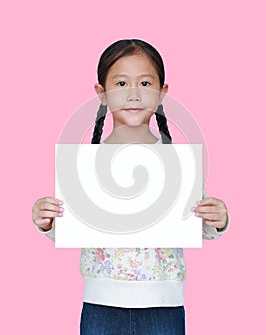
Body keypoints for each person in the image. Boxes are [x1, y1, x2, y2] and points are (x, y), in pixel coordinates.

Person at [32, 39, 229, 335]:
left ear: (162, 93)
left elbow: (196, 224)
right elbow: (73, 226)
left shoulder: (178, 161)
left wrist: (218, 219)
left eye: (146, 83)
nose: (134, 94)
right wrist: (47, 221)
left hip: (164, 303)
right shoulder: (85, 162)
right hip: (100, 303)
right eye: (121, 83)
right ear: (102, 94)